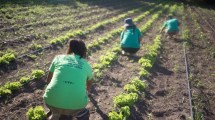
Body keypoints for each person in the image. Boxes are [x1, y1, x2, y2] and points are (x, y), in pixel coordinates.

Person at [43, 40, 93, 120]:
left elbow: (48, 81)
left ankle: (55, 113)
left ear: (70, 48)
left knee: (56, 107)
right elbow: (88, 85)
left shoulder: (58, 58)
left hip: (51, 100)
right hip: (76, 106)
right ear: (84, 51)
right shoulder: (87, 65)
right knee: (83, 113)